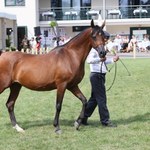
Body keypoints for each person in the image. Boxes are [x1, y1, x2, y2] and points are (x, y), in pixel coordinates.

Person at [82, 47, 119, 127]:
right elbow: (89, 60)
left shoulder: (100, 49)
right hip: (96, 75)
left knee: (94, 99)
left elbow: (104, 61)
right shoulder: (93, 50)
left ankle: (83, 117)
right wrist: (100, 59)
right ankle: (105, 121)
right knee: (102, 98)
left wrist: (113, 60)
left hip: (99, 75)